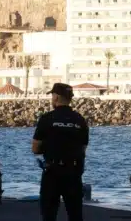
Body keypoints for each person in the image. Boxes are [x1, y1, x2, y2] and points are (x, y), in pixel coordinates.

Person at [31, 83, 89, 221]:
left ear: (56, 97)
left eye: (52, 95)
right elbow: (83, 148)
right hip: (73, 172)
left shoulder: (47, 119)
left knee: (49, 214)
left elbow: (35, 148)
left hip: (52, 171)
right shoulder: (80, 120)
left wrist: (48, 148)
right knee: (75, 215)